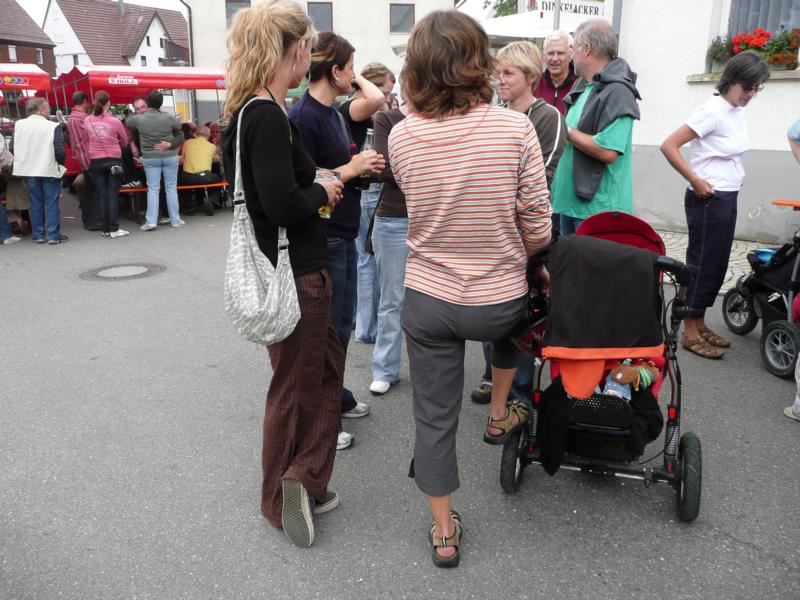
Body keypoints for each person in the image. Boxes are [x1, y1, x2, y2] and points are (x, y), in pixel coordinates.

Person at [389, 10, 551, 568]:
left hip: (429, 297)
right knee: (517, 317)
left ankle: (443, 531)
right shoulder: (516, 128)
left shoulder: (402, 135)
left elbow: (416, 202)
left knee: (434, 417)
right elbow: (537, 222)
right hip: (498, 299)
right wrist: (527, 258)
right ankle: (500, 411)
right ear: (479, 61)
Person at [221, 0, 345, 548]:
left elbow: (265, 190)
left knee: (324, 370)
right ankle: (282, 493)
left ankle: (307, 478)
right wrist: (324, 188)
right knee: (295, 387)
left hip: (284, 271)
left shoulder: (247, 111)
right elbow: (282, 204)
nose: (309, 59)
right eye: (307, 49)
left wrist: (312, 179)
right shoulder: (268, 115)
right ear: (292, 49)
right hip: (297, 274)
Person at [289, 32, 385, 450]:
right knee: (324, 331)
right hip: (323, 237)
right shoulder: (303, 116)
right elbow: (303, 182)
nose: (355, 74)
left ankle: (335, 395)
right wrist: (352, 168)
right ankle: (320, 417)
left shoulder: (333, 112)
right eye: (350, 67)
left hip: (343, 232)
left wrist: (360, 170)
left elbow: (337, 167)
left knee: (341, 327)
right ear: (334, 70)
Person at [471, 39, 567, 405]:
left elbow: (543, 175)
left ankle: (520, 393)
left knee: (524, 310)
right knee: (489, 303)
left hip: (525, 229)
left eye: (508, 73)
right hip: (492, 228)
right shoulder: (494, 114)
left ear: (530, 77)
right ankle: (491, 375)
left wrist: (496, 194)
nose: (500, 80)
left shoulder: (547, 116)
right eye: (498, 73)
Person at [660, 51, 769, 360]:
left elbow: (726, 150)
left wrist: (737, 172)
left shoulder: (735, 110)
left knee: (717, 264)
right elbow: (669, 145)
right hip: (707, 199)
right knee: (701, 263)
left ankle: (700, 322)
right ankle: (689, 332)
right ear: (731, 80)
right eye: (747, 87)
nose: (751, 94)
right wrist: (695, 179)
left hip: (726, 195)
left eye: (756, 88)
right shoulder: (711, 111)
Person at [550, 19, 640, 236]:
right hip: (570, 205)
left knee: (590, 260)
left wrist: (565, 130)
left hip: (598, 211)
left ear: (587, 49)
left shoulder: (618, 91)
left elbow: (608, 151)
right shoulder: (583, 85)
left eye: (572, 48)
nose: (570, 56)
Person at [339, 62, 395, 345]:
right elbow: (375, 101)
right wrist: (358, 77)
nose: (387, 98)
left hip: (364, 188)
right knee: (369, 259)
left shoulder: (350, 109)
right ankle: (367, 326)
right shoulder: (356, 108)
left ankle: (359, 320)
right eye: (385, 91)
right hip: (368, 188)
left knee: (362, 258)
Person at [368, 103, 408, 395]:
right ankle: (385, 369)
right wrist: (433, 173)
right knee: (392, 300)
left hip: (434, 217)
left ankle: (431, 370)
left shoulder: (444, 114)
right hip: (394, 218)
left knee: (432, 301)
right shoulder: (388, 118)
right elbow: (383, 168)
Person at [11, 97, 68, 245]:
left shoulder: (18, 125)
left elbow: (12, 148)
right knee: (51, 203)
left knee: (36, 203)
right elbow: (60, 151)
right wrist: (60, 164)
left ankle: (38, 234)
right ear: (41, 110)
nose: (49, 110)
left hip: (29, 169)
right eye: (48, 108)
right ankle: (54, 235)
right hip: (48, 168)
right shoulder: (52, 126)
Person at [126, 90, 184, 231]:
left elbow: (128, 120)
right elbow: (179, 130)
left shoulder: (139, 119)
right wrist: (170, 144)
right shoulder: (168, 117)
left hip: (150, 157)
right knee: (171, 188)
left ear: (148, 103)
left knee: (153, 189)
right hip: (170, 156)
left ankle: (151, 221)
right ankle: (175, 220)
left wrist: (138, 112)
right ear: (161, 103)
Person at [84, 91, 129, 238]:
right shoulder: (115, 121)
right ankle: (114, 228)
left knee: (102, 194)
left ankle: (105, 228)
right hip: (113, 159)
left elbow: (87, 138)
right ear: (108, 103)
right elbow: (125, 141)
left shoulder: (87, 120)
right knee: (112, 195)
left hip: (95, 160)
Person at [65, 91, 100, 230]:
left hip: (81, 157)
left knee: (89, 191)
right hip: (89, 157)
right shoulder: (83, 118)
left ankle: (88, 220)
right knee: (95, 191)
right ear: (85, 101)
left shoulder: (72, 117)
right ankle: (94, 221)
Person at [179, 125, 221, 215]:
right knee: (217, 179)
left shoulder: (187, 143)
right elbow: (216, 159)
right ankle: (212, 201)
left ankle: (188, 207)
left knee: (183, 181)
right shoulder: (212, 146)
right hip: (204, 177)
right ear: (208, 135)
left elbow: (182, 160)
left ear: (196, 134)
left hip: (187, 178)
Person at [535, 30, 578, 116]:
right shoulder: (535, 83)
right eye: (550, 53)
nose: (555, 59)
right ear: (544, 56)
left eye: (560, 53)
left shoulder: (580, 86)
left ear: (571, 56)